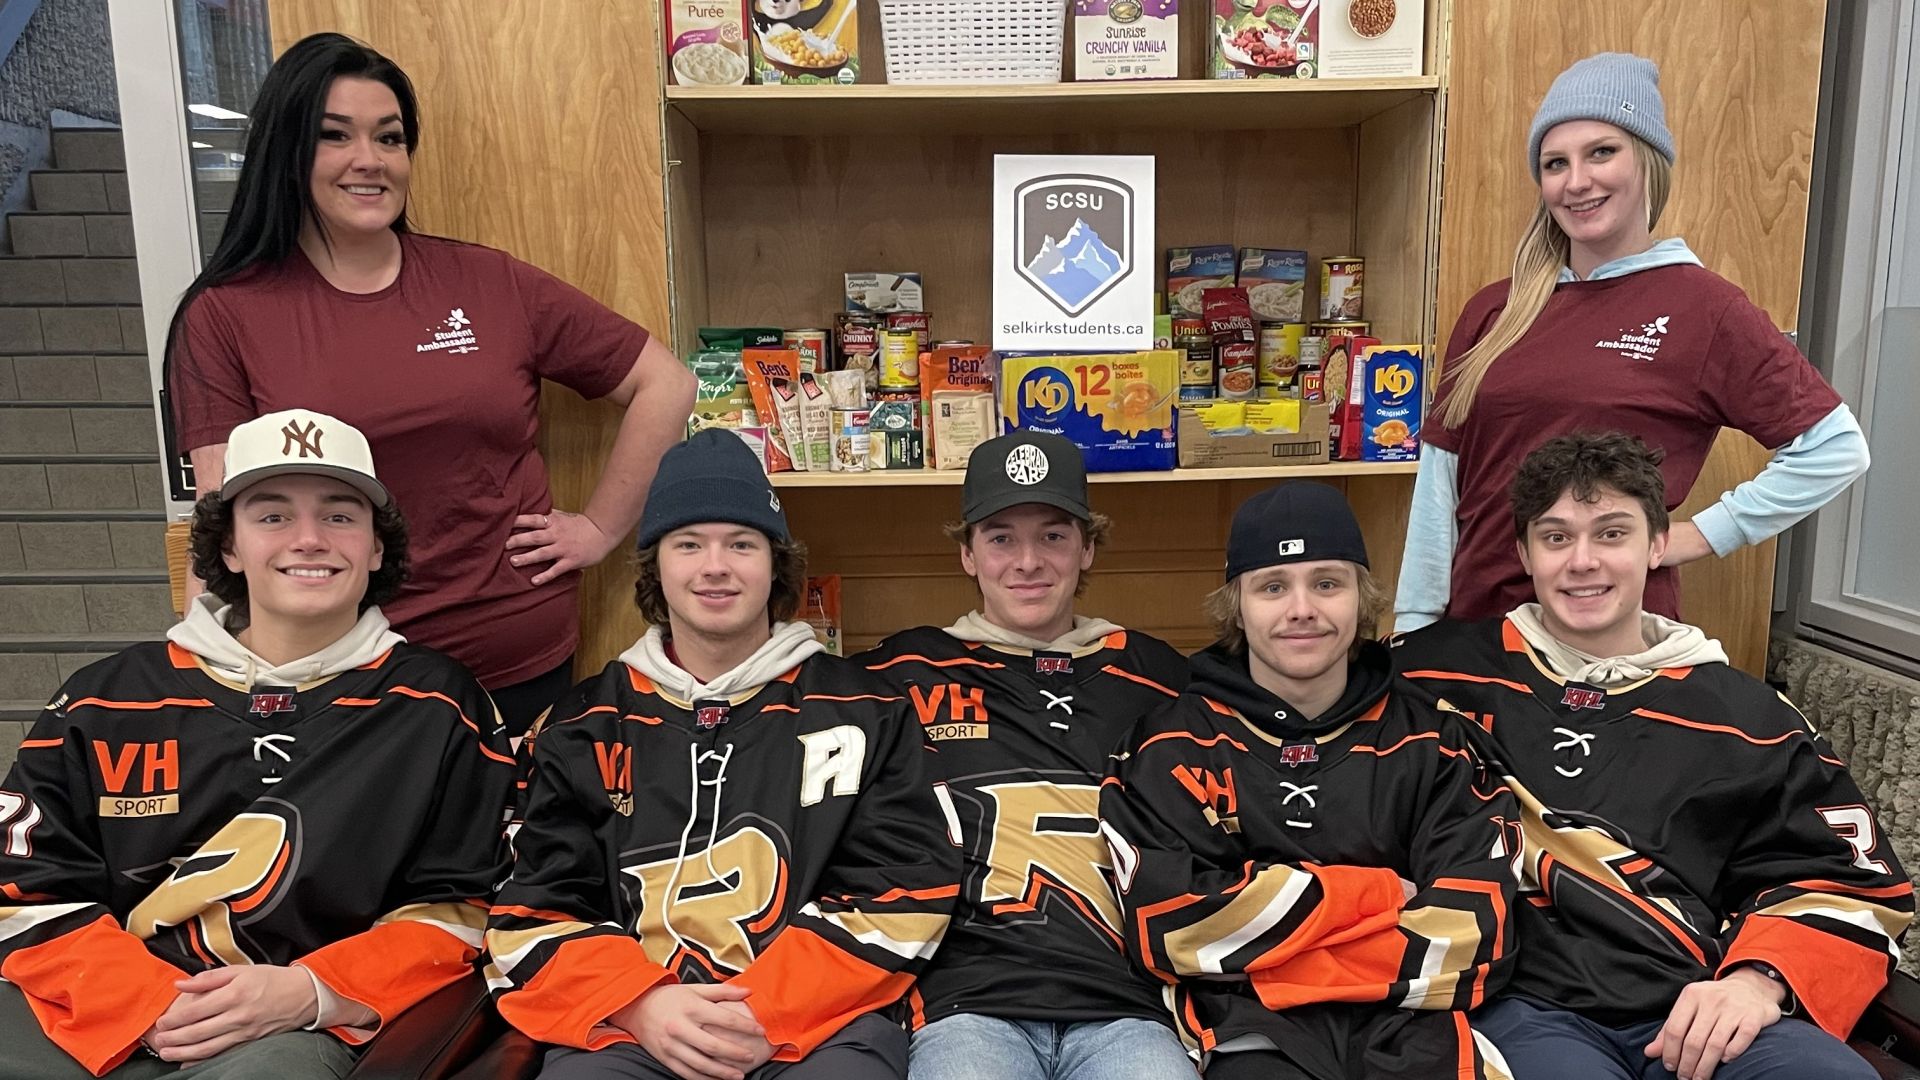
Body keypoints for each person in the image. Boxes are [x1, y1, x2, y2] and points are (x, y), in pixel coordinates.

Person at [164, 32, 696, 733]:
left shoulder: (488, 282)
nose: (370, 159)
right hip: (337, 669)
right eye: (335, 135)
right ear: (285, 152)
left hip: (516, 655)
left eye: (389, 138)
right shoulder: (224, 315)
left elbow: (666, 384)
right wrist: (205, 687)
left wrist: (597, 529)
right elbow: (220, 522)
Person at [0, 409, 515, 1079]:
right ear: (229, 549)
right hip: (107, 1008)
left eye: (339, 516)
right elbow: (25, 887)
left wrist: (314, 990)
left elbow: (468, 902)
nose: (309, 539)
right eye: (272, 516)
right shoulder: (104, 698)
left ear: (375, 547)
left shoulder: (441, 704)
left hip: (303, 1029)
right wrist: (145, 1002)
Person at [1392, 431, 1914, 1080]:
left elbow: (1852, 882)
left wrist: (1756, 981)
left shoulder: (1752, 719)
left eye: (1612, 533)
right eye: (1556, 537)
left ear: (1658, 544)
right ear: (1524, 553)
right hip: (1512, 1002)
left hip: (1697, 997)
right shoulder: (1429, 679)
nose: (1583, 561)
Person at [485, 429, 961, 1080]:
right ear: (655, 566)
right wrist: (640, 1004)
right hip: (633, 1029)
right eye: (688, 544)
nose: (715, 566)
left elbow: (907, 888)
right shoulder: (582, 725)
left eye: (741, 543)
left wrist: (763, 1013)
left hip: (820, 1028)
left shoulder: (869, 711)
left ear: (776, 564)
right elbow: (533, 910)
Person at [1395, 51, 1869, 631]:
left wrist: (1702, 534)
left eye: (1602, 152)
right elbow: (1440, 479)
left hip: (1612, 645)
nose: (1577, 182)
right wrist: (1416, 622)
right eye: (1555, 163)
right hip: (1478, 634)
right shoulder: (1497, 309)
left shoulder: (1704, 307)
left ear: (1647, 161)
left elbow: (1835, 448)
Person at [1099, 482, 1520, 1080]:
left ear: (1361, 597)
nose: (1302, 609)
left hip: (1414, 1028)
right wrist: (1377, 895)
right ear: (1236, 605)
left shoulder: (1434, 740)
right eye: (1273, 587)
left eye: (1327, 583)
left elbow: (1476, 935)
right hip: (1247, 1034)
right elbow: (1170, 928)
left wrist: (1265, 954)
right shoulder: (1169, 743)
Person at [853, 431, 1197, 1080]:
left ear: (1087, 547)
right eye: (1001, 538)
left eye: (1054, 536)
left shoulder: (1159, 676)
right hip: (968, 1005)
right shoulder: (900, 673)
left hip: (1126, 1006)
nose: (1028, 561)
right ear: (967, 553)